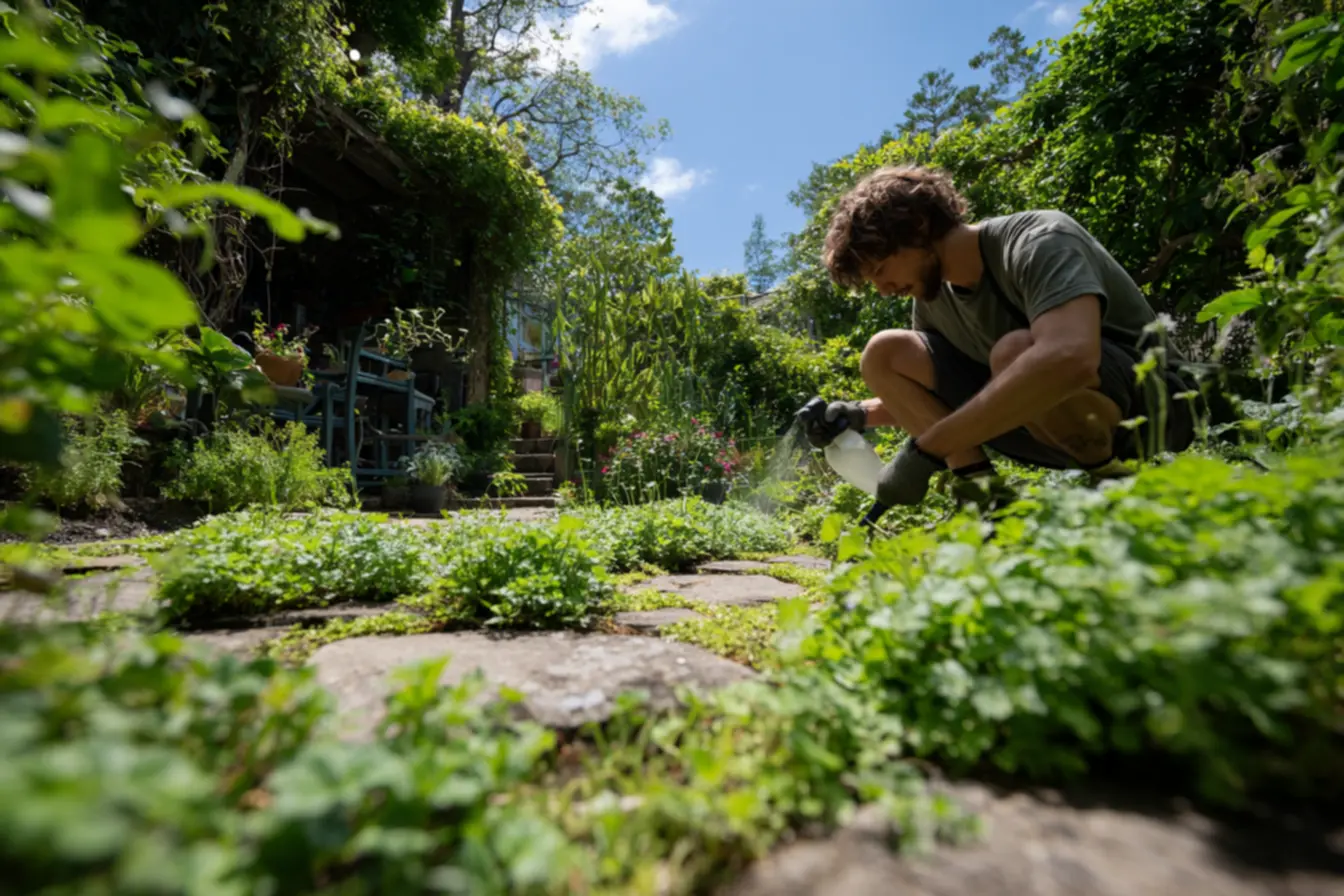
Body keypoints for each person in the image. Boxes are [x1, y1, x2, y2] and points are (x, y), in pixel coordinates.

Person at [799, 164, 1201, 519]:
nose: (884, 290)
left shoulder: (1039, 239)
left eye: (882, 269)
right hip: (1049, 427)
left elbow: (1069, 358)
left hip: (1161, 413)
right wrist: (858, 415)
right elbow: (950, 400)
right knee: (885, 353)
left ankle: (1116, 487)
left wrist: (927, 450)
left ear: (919, 229)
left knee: (1016, 353)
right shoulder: (935, 297)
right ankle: (988, 503)